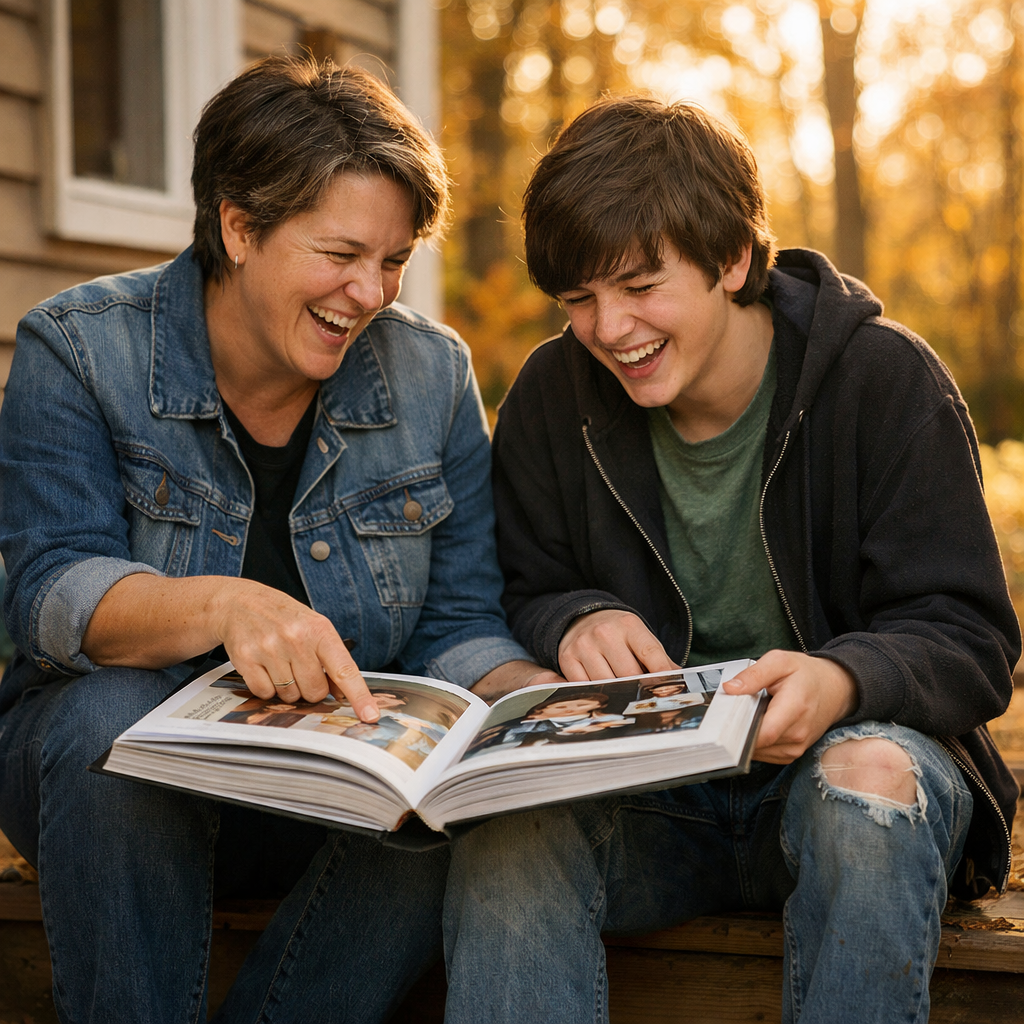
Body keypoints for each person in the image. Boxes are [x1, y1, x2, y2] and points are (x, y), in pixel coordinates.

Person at [0, 56, 555, 1024]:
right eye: (341, 253)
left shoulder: (430, 374)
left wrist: (529, 704)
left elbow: (457, 622)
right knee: (107, 716)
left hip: (331, 796)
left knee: (464, 790)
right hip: (110, 797)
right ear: (240, 227)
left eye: (393, 259)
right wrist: (225, 604)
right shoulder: (80, 348)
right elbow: (48, 594)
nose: (371, 291)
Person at [441, 98, 1021, 1023]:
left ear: (733, 260)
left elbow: (971, 634)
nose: (608, 327)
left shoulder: (884, 380)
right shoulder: (554, 395)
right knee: (509, 833)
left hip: (845, 776)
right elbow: (528, 585)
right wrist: (575, 617)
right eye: (579, 299)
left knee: (863, 783)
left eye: (639, 285)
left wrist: (840, 680)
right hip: (651, 800)